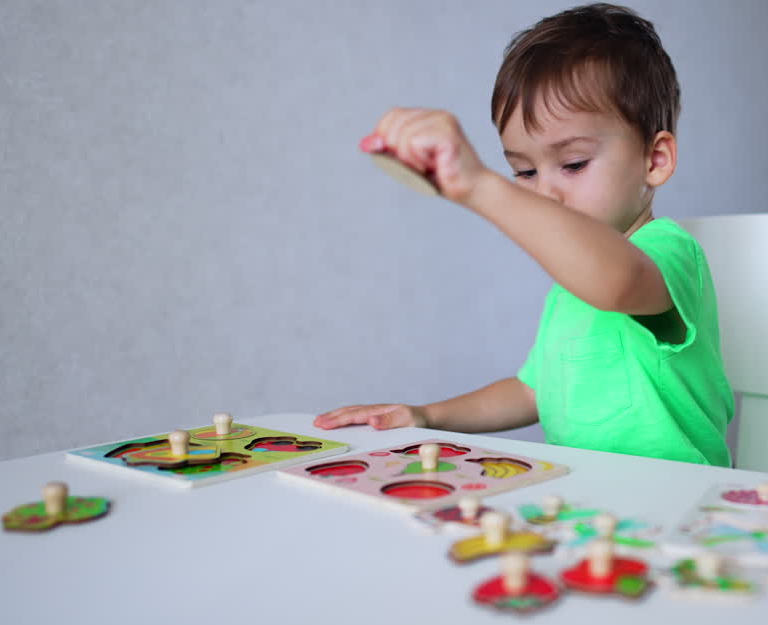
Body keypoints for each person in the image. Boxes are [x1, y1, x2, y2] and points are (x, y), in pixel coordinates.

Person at [314, 3, 733, 466]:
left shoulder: (667, 252)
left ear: (654, 161)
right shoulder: (569, 288)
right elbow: (534, 389)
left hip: (675, 500)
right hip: (590, 502)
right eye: (524, 171)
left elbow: (617, 282)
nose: (546, 192)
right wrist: (426, 414)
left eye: (573, 163)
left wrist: (479, 185)